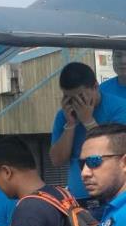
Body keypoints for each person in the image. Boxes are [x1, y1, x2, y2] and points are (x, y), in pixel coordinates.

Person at [49, 61, 126, 215]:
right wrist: (70, 124)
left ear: (95, 87)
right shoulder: (63, 116)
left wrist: (88, 121)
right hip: (79, 200)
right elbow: (57, 160)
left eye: (80, 96)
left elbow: (117, 148)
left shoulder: (119, 107)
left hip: (112, 197)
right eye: (68, 97)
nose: (75, 102)